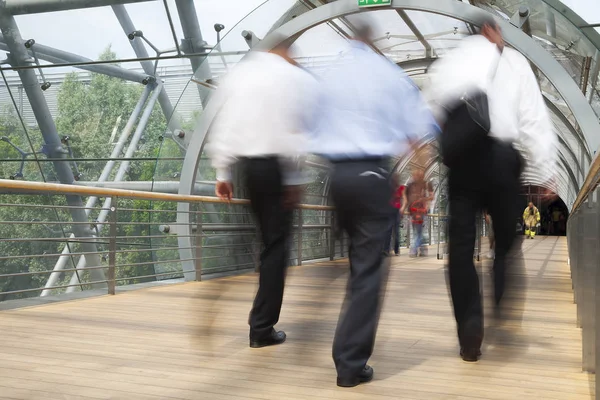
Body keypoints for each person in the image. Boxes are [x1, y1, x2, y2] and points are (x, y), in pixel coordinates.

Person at [312, 19, 437, 387]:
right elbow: (419, 136)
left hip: (338, 178)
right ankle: (350, 364)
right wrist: (417, 181)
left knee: (353, 261)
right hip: (370, 175)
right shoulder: (389, 75)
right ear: (375, 40)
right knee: (367, 270)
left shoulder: (328, 74)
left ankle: (338, 333)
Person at [425, 16, 557, 362]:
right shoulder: (514, 62)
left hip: (464, 163)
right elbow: (532, 119)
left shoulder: (451, 61)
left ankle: (470, 334)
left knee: (461, 247)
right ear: (491, 30)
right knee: (505, 245)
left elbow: (434, 115)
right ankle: (501, 306)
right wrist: (544, 171)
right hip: (501, 160)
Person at [207, 37, 319, 349]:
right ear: (287, 51)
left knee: (259, 239)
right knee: (275, 247)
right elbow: (297, 133)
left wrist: (223, 173)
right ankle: (262, 327)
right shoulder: (292, 78)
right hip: (276, 170)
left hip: (247, 168)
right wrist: (295, 178)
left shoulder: (242, 73)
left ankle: (221, 277)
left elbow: (224, 126)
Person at [402, 169, 434, 257]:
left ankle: (414, 249)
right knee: (417, 231)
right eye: (415, 175)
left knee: (418, 231)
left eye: (419, 176)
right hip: (412, 211)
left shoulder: (427, 184)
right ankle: (423, 249)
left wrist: (423, 199)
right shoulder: (410, 184)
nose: (416, 177)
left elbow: (432, 197)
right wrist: (403, 207)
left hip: (421, 211)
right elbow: (404, 194)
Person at [384, 177, 404, 256]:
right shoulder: (389, 189)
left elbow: (404, 199)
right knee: (388, 230)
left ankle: (396, 250)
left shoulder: (401, 188)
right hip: (390, 211)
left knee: (396, 231)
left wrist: (402, 208)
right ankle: (386, 250)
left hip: (397, 211)